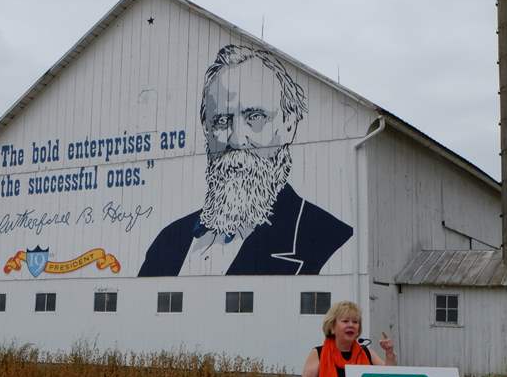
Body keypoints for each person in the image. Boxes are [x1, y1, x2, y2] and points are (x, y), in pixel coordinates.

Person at [138, 44, 352, 276]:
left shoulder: (331, 240)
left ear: (289, 125)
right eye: (221, 121)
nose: (237, 139)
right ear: (206, 130)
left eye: (255, 117)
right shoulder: (168, 241)